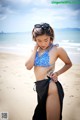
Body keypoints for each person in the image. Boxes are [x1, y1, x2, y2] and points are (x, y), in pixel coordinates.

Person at [25, 23, 72, 120]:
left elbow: (68, 63)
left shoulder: (57, 49)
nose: (43, 43)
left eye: (45, 40)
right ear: (35, 40)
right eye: (39, 40)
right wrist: (34, 49)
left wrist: (57, 73)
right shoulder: (36, 52)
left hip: (50, 87)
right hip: (40, 88)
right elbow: (28, 66)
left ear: (50, 37)